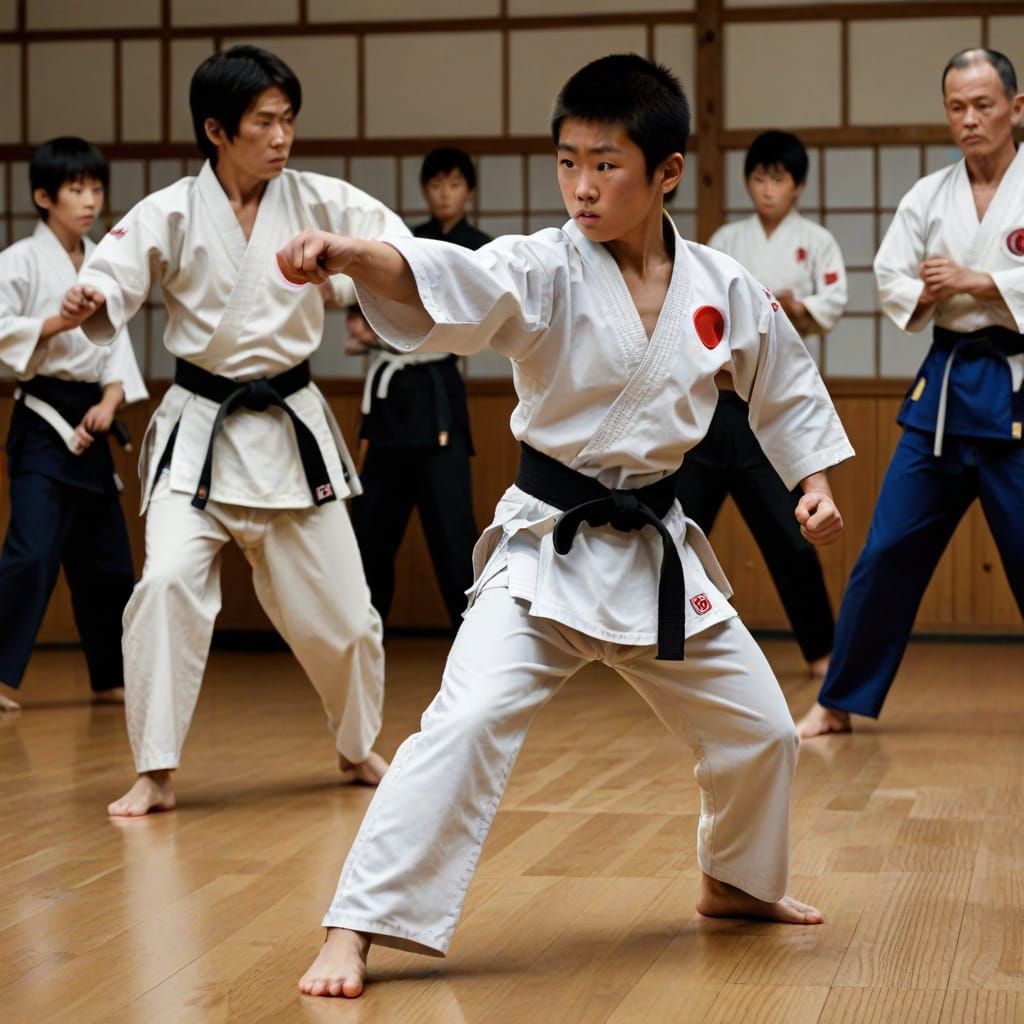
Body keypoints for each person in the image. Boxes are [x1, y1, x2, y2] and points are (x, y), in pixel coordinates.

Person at [281, 54, 854, 998]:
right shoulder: (542, 267)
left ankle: (735, 881)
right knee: (463, 724)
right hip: (548, 544)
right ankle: (355, 926)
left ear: (667, 170)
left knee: (762, 731)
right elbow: (444, 279)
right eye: (566, 162)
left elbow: (781, 377)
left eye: (606, 164)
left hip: (658, 549)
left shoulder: (719, 284)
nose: (582, 187)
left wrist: (816, 480)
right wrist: (352, 257)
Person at [62, 45, 407, 815]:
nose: (282, 137)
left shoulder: (318, 199)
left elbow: (392, 254)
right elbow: (112, 274)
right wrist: (91, 299)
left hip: (290, 431)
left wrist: (347, 270)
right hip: (202, 435)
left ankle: (355, 746)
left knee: (348, 619)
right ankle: (154, 768)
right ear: (218, 130)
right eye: (264, 123)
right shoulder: (174, 211)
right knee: (164, 587)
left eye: (288, 121)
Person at [798, 48, 1024, 739]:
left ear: (1017, 108)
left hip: (1016, 389)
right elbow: (891, 277)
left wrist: (986, 284)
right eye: (957, 107)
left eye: (984, 105)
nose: (970, 120)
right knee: (888, 548)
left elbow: (982, 284)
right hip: (946, 394)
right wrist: (927, 292)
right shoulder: (929, 195)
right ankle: (837, 701)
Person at [677, 131, 847, 679]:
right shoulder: (727, 237)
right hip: (713, 405)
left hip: (767, 408)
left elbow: (832, 303)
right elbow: (696, 307)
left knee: (789, 538)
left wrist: (792, 306)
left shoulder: (815, 240)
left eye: (779, 178)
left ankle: (823, 653)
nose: (767, 188)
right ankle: (650, 644)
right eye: (759, 177)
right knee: (674, 532)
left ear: (797, 186)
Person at [0, 137, 147, 712]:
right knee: (32, 552)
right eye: (75, 189)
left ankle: (110, 676)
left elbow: (118, 351)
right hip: (41, 421)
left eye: (95, 188)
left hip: (93, 418)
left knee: (108, 561)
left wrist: (111, 403)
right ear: (44, 197)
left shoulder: (105, 263)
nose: (89, 200)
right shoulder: (17, 260)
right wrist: (57, 322)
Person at [349, 148, 488, 629]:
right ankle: (364, 638)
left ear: (468, 190)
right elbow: (365, 307)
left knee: (454, 534)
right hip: (391, 403)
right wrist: (366, 331)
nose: (444, 194)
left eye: (453, 184)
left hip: (437, 398)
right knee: (370, 533)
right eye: (436, 185)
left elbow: (485, 318)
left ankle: (478, 638)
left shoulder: (483, 247)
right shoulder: (408, 242)